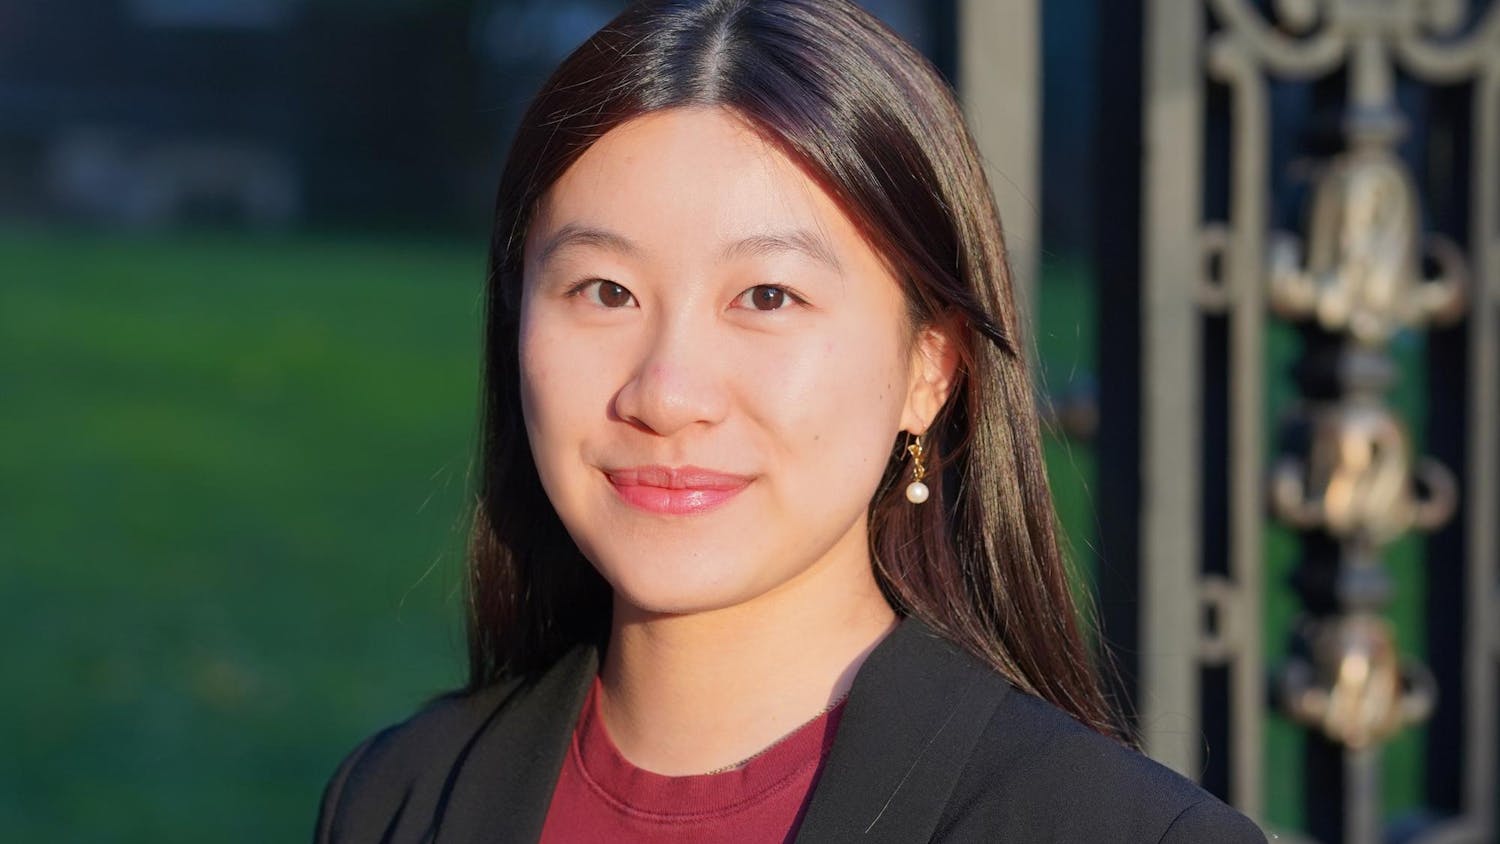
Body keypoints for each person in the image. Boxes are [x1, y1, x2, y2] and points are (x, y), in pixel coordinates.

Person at [315, 1, 1266, 841]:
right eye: (604, 290)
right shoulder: (399, 798)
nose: (666, 392)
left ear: (929, 370)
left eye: (767, 296)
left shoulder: (1116, 831)